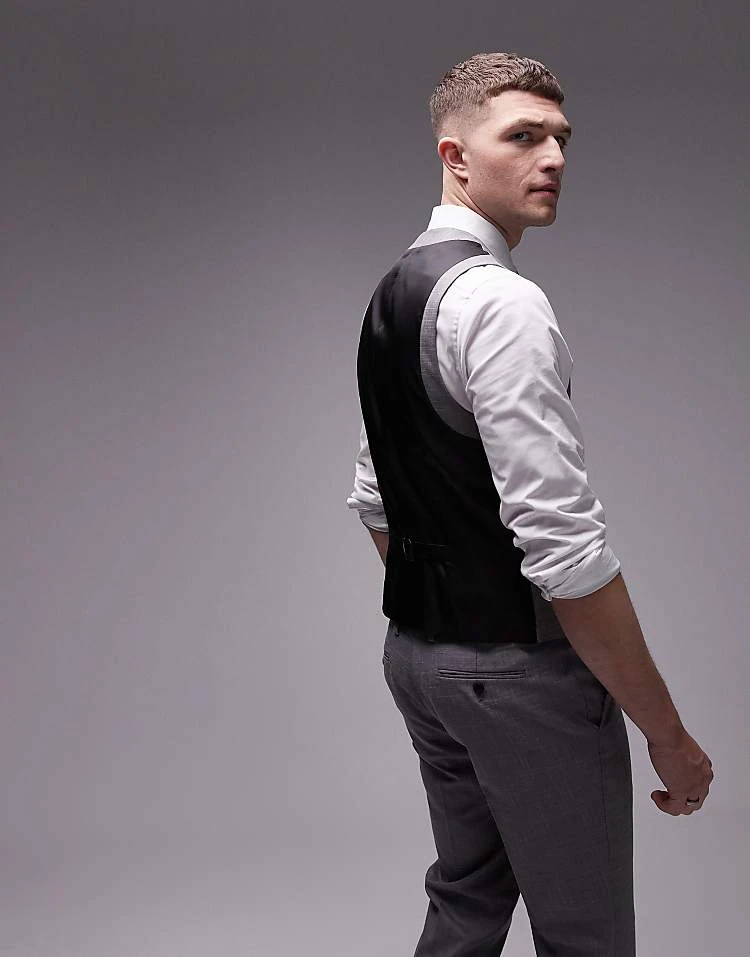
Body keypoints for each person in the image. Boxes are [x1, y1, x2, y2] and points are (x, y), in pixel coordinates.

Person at [346, 52, 713, 956]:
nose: (553, 157)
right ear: (456, 156)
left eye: (561, 138)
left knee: (467, 900)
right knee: (586, 935)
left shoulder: (395, 292)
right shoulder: (502, 304)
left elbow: (374, 498)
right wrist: (667, 735)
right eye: (523, 136)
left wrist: (445, 624)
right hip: (520, 675)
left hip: (419, 661)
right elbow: (565, 553)